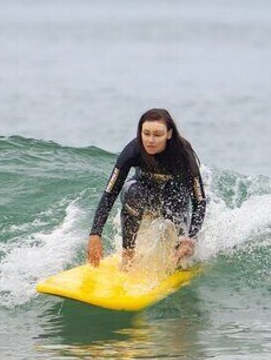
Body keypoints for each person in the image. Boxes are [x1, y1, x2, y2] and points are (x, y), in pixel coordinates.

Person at [87, 108, 207, 270]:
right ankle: (128, 254)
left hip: (175, 196)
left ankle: (177, 249)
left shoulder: (183, 153)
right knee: (132, 192)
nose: (151, 140)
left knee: (179, 250)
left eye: (158, 135)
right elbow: (110, 192)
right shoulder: (133, 150)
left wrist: (190, 239)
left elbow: (199, 201)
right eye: (146, 133)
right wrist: (95, 233)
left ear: (169, 134)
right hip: (145, 191)